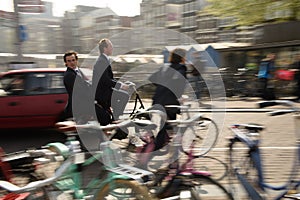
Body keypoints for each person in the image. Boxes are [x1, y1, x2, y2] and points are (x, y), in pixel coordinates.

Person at [149, 48, 188, 150]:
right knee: (167, 126)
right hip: (169, 101)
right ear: (182, 57)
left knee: (167, 125)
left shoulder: (165, 67)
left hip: (158, 99)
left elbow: (151, 78)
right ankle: (154, 149)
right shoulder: (181, 68)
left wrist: (161, 87)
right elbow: (180, 85)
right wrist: (178, 97)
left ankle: (163, 146)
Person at [92, 38, 129, 127]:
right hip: (102, 93)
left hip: (105, 91)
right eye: (111, 46)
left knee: (120, 96)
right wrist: (120, 85)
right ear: (105, 48)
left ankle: (114, 116)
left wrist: (122, 83)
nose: (112, 48)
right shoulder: (102, 61)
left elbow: (109, 78)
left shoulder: (104, 60)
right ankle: (116, 118)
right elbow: (105, 80)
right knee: (124, 96)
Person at [61, 50, 91, 122]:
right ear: (66, 63)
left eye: (73, 60)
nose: (72, 62)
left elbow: (87, 83)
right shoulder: (69, 75)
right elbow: (80, 90)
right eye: (69, 61)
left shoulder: (78, 71)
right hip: (78, 107)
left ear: (77, 60)